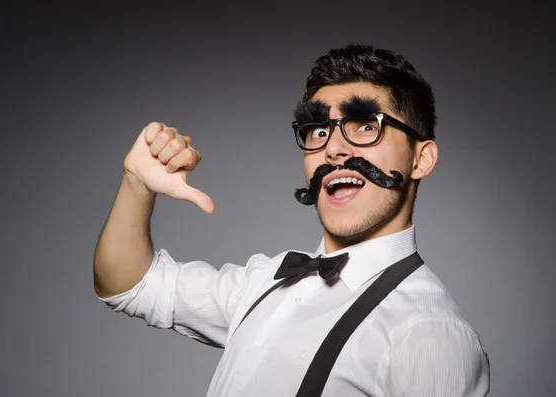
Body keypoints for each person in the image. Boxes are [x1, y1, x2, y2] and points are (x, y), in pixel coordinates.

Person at [93, 44, 490, 396]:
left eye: (366, 126)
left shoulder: (429, 333)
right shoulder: (266, 281)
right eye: (319, 130)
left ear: (421, 159)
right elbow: (129, 284)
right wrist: (136, 184)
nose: (333, 147)